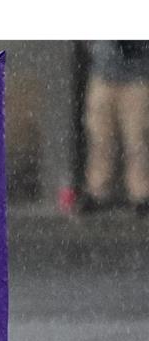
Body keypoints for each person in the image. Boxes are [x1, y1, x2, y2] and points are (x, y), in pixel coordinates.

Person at [80, 41, 149, 217]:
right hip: (103, 75)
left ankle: (140, 193)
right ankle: (97, 190)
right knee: (99, 137)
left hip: (137, 78)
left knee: (137, 139)